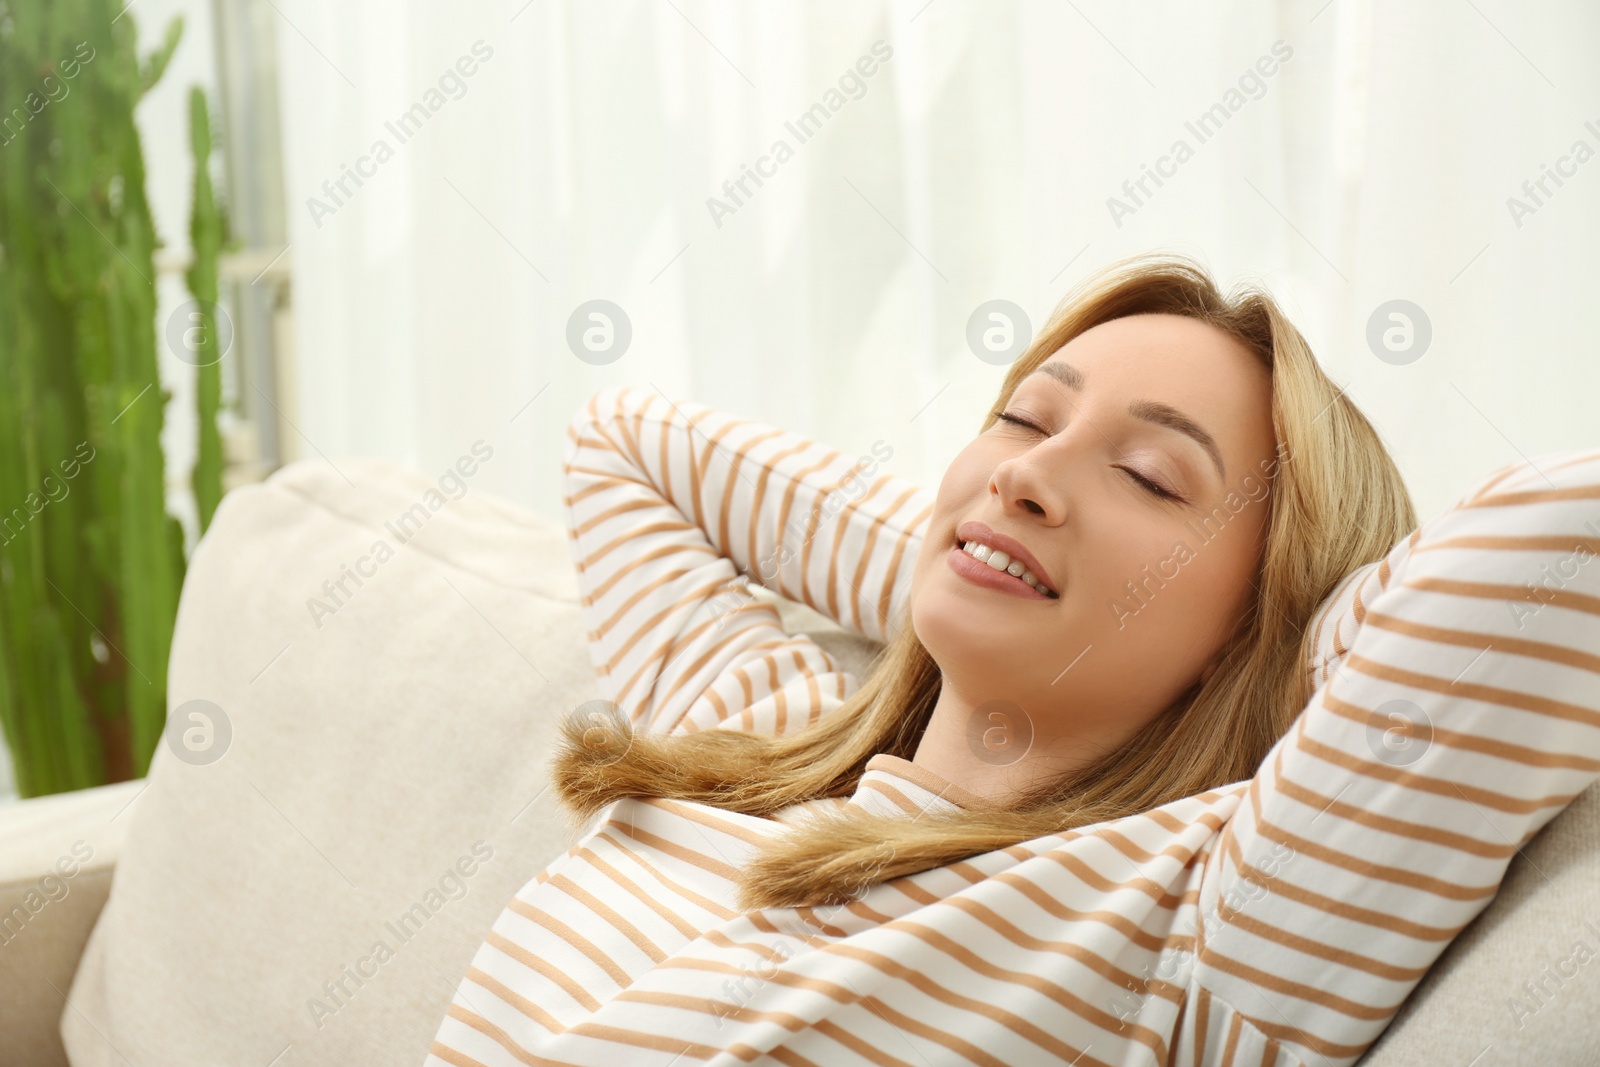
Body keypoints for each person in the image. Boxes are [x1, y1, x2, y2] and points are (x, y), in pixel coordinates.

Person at [427, 253, 1600, 1066]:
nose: (1025, 470)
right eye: (1027, 418)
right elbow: (628, 446)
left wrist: (1278, 655)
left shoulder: (1199, 922)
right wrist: (981, 544)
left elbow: (1561, 544)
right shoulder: (758, 734)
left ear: (1256, 630)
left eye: (1149, 475)